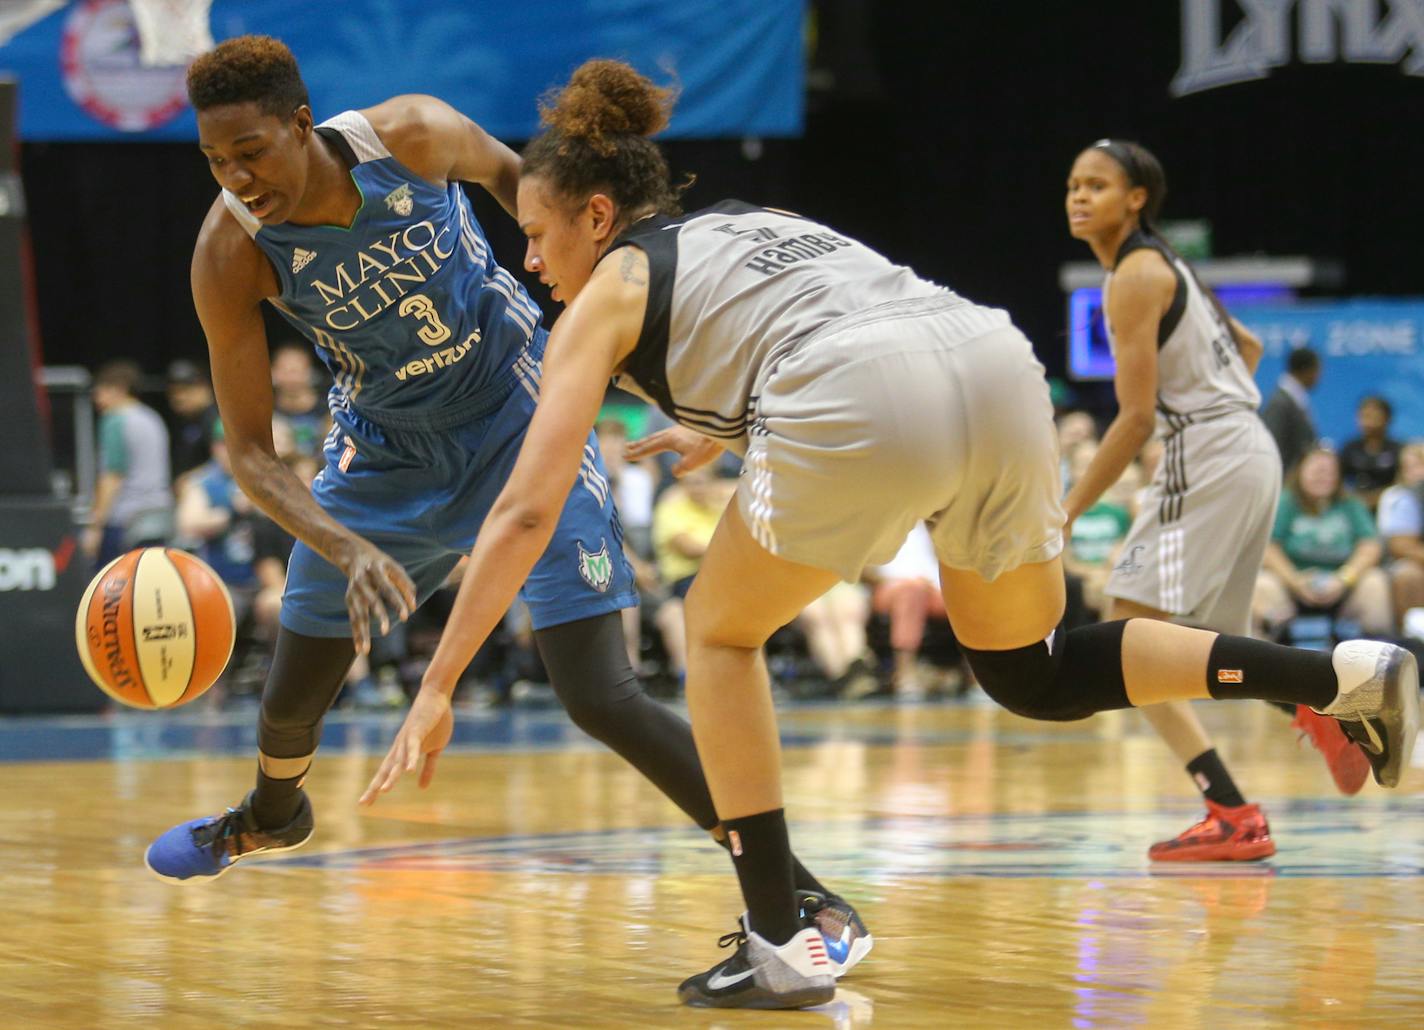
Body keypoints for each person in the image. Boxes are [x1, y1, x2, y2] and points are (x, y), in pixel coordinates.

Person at [360, 60, 1417, 1009]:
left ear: (596, 216)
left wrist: (441, 675)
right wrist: (708, 422)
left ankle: (779, 936)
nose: (532, 260)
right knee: (1033, 669)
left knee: (716, 632)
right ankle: (1339, 676)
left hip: (856, 393)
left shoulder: (608, 292)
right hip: (988, 356)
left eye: (537, 236)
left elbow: (528, 505)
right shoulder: (748, 215)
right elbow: (822, 315)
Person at [143, 37, 867, 973]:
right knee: (288, 706)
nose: (238, 177)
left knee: (600, 694)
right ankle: (272, 817)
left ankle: (799, 892)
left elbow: (537, 193)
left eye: (251, 151)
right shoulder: (228, 253)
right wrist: (340, 543)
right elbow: (246, 450)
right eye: (215, 161)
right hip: (384, 460)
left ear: (300, 124)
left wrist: (605, 328)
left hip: (520, 413)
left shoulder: (410, 135)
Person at [1063, 139, 1368, 860]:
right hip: (1247, 447)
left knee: (1124, 639)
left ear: (1136, 198)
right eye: (1073, 185)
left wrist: (1065, 510)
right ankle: (1298, 723)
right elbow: (1251, 348)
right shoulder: (1173, 267)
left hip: (1206, 451)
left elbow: (1135, 418)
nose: (1079, 196)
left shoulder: (1133, 275)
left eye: (1097, 185)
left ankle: (1242, 794)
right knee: (1201, 652)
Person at [1255, 447, 1393, 638]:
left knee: (1375, 582)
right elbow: (1268, 547)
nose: (1323, 476)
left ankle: (1372, 653)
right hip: (1292, 581)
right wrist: (1294, 581)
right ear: (1300, 472)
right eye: (1316, 470)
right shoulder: (1285, 502)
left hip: (1342, 582)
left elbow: (1370, 545)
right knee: (1262, 584)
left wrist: (1345, 578)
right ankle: (1270, 652)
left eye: (1329, 472)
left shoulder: (1351, 504)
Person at [84, 360, 174, 567]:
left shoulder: (115, 420)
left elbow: (112, 476)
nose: (96, 397)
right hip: (160, 515)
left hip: (126, 522)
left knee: (113, 589)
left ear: (120, 389)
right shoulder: (153, 417)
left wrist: (95, 526)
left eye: (102, 389)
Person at [1260, 346, 1321, 474]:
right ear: (1307, 370)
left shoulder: (1295, 400)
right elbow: (1273, 447)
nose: (1319, 376)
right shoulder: (1279, 403)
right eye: (1317, 370)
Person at [1339, 395, 1401, 512]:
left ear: (1387, 418)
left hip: (1390, 509)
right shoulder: (1350, 448)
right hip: (1355, 509)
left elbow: (1403, 482)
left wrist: (1376, 498)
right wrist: (1353, 499)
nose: (1366, 421)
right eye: (1363, 416)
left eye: (1372, 415)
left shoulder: (1398, 449)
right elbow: (1337, 480)